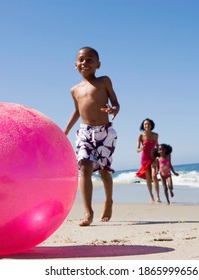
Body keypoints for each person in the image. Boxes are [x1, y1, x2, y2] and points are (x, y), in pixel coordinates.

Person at [64, 47, 120, 226]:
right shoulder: (74, 90)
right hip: (85, 132)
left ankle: (108, 201)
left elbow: (116, 102)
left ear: (98, 64)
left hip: (104, 132)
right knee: (85, 168)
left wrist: (113, 109)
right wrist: (64, 131)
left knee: (104, 172)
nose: (85, 63)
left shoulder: (104, 81)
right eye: (81, 60)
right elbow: (77, 112)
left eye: (89, 60)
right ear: (75, 65)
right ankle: (88, 212)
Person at [136, 118, 161, 203]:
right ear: (143, 126)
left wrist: (160, 155)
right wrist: (141, 148)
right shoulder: (141, 136)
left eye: (148, 124)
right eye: (145, 124)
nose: (147, 126)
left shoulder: (155, 135)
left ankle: (158, 197)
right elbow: (137, 149)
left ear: (151, 125)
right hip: (144, 159)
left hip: (153, 158)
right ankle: (151, 197)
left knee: (154, 176)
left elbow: (157, 146)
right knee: (148, 178)